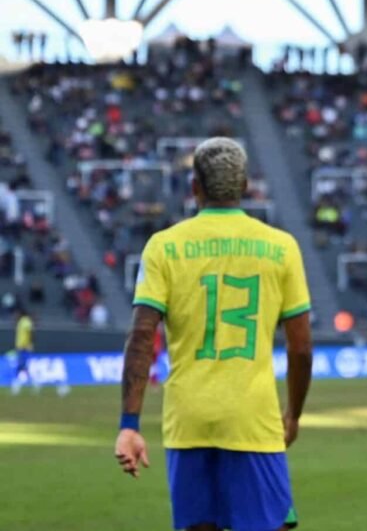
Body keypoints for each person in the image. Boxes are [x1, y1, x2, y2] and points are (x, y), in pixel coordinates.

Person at [114, 138, 314, 531]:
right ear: (244, 187)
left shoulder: (163, 247)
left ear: (195, 188)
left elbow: (141, 336)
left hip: (187, 422)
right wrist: (293, 413)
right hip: (253, 421)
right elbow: (301, 347)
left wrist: (129, 424)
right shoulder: (281, 247)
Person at [10, 308, 34, 395]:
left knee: (23, 366)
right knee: (22, 366)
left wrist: (30, 344)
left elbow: (30, 333)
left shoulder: (26, 321)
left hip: (25, 347)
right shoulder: (20, 322)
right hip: (20, 347)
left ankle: (28, 386)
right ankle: (30, 386)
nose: (15, 315)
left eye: (17, 313)